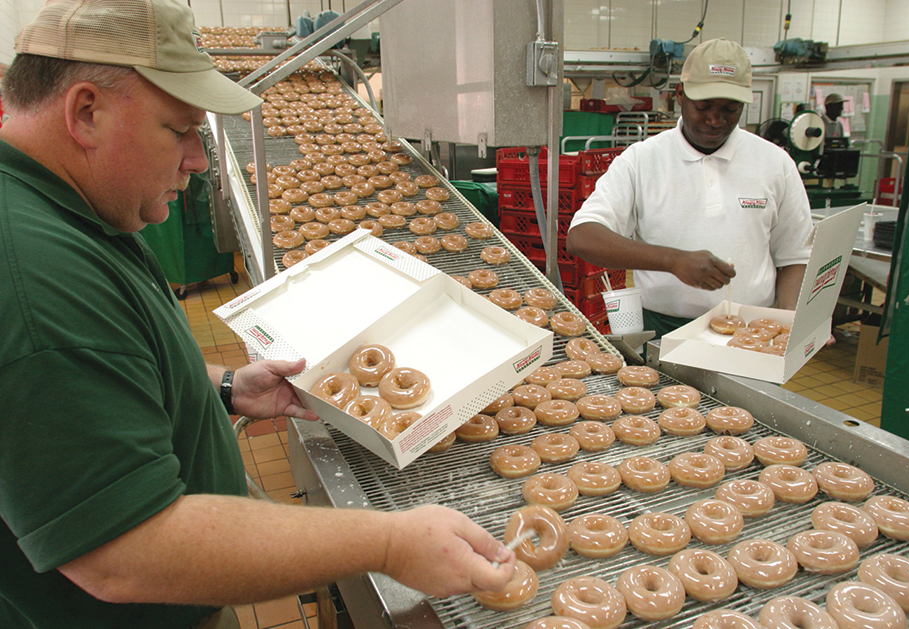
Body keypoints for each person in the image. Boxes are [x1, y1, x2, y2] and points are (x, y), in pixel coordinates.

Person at [0, 2, 514, 628]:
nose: (198, 158)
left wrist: (219, 386)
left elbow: (108, 365)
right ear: (86, 112)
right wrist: (389, 543)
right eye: (178, 129)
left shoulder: (67, 206)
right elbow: (124, 552)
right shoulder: (35, 277)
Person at [567, 38, 813, 339]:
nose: (715, 120)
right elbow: (581, 237)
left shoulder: (774, 163)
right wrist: (674, 261)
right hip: (663, 329)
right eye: (704, 106)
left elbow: (795, 255)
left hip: (751, 331)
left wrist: (788, 323)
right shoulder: (643, 160)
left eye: (730, 109)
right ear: (679, 95)